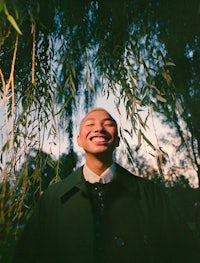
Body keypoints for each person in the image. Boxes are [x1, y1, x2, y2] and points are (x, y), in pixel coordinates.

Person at [13, 108, 199, 263]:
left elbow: (183, 251)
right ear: (79, 140)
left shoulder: (150, 193)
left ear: (117, 140)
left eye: (108, 124)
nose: (99, 128)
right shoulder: (53, 197)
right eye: (90, 124)